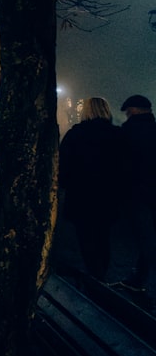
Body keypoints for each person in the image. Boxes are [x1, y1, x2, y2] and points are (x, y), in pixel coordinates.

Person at [57, 97, 126, 281]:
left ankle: (93, 274)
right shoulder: (117, 135)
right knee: (103, 235)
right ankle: (101, 273)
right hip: (108, 196)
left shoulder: (75, 134)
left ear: (85, 111)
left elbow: (63, 165)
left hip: (81, 195)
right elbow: (125, 166)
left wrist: (64, 184)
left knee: (85, 236)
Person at [116, 94, 156, 303]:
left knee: (144, 238)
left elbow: (120, 166)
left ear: (133, 110)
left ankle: (140, 281)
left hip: (136, 193)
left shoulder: (127, 132)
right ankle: (138, 278)